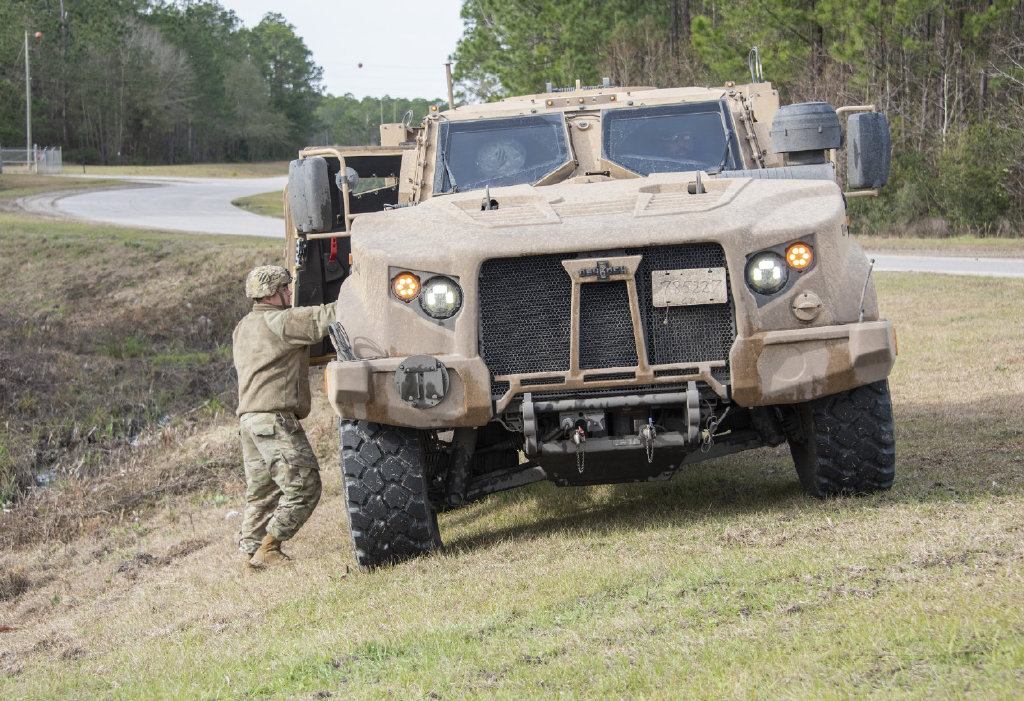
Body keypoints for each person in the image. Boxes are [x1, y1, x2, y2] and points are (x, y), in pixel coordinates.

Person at [232, 265, 336, 568]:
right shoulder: (279, 322)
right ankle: (269, 548)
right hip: (273, 420)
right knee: (305, 484)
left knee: (262, 494)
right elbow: (324, 318)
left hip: (249, 422)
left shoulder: (243, 326)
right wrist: (360, 293)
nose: (290, 293)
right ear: (272, 293)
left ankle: (249, 555)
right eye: (285, 288)